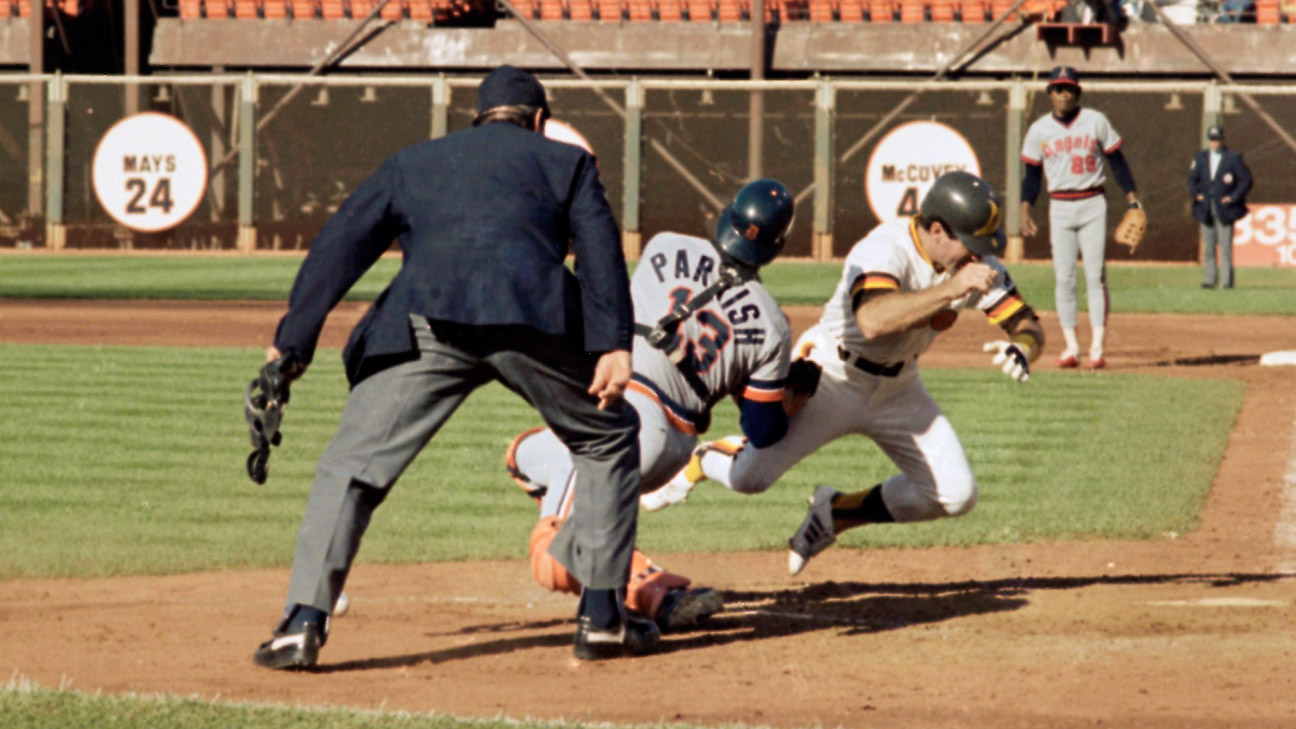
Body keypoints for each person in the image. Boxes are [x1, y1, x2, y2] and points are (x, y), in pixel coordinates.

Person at [251, 65, 654, 669]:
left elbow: (343, 240)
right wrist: (613, 344)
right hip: (534, 319)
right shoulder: (565, 162)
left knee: (351, 467)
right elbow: (600, 253)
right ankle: (600, 616)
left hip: (425, 320)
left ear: (476, 120)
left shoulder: (416, 160)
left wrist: (293, 343)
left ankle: (301, 624)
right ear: (541, 122)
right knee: (607, 437)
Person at [647, 171, 1046, 576]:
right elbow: (873, 321)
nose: (979, 256)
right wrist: (951, 289)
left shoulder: (972, 264)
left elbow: (1026, 322)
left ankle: (835, 513)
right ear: (938, 229)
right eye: (971, 245)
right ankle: (700, 461)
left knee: (957, 496)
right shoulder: (883, 248)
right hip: (831, 374)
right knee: (750, 477)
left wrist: (1024, 348)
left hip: (900, 387)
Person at [508, 178, 797, 630]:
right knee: (524, 456)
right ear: (778, 245)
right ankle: (647, 585)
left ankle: (616, 600)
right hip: (670, 450)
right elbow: (762, 430)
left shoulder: (665, 245)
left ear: (727, 217)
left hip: (618, 418)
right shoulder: (774, 326)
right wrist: (793, 388)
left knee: (553, 556)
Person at [1020, 66, 1141, 370]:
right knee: (1064, 278)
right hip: (1059, 205)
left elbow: (1117, 162)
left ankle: (1097, 348)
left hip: (1092, 203)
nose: (1063, 94)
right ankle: (1072, 347)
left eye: (1069, 88)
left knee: (1095, 276)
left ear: (1077, 92)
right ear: (1050, 93)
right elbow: (1031, 175)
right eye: (1058, 88)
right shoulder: (1039, 129)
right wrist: (1024, 208)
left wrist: (1133, 200)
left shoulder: (1095, 121)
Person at [1189, 124, 1252, 289]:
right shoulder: (1200, 157)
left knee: (1225, 247)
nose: (1214, 143)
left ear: (1222, 140)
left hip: (1224, 209)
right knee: (1208, 248)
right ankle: (1209, 280)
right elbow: (1192, 180)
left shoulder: (1232, 157)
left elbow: (1246, 180)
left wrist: (1233, 197)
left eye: (1217, 140)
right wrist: (1197, 195)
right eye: (1211, 139)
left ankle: (1226, 282)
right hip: (1206, 208)